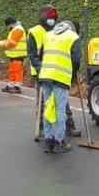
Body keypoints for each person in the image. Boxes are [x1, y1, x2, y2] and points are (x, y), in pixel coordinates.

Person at [28, 5, 80, 137]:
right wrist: (41, 68)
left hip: (57, 72)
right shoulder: (34, 32)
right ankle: (41, 128)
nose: (52, 19)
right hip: (42, 72)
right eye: (50, 17)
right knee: (44, 102)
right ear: (43, 16)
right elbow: (32, 54)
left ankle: (69, 126)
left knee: (62, 102)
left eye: (54, 17)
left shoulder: (57, 31)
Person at [39, 21, 82, 153]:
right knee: (60, 110)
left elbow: (42, 55)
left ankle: (47, 141)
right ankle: (59, 142)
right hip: (61, 76)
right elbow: (75, 60)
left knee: (48, 107)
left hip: (46, 75)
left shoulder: (48, 35)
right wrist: (73, 75)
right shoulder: (73, 37)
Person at [0, 16, 26, 93]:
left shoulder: (18, 29)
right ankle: (11, 85)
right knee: (12, 70)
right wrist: (3, 42)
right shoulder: (14, 29)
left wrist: (2, 44)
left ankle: (17, 86)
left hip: (18, 54)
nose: (7, 27)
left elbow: (13, 43)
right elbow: (10, 40)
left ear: (10, 24)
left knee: (17, 70)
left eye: (7, 26)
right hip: (14, 54)